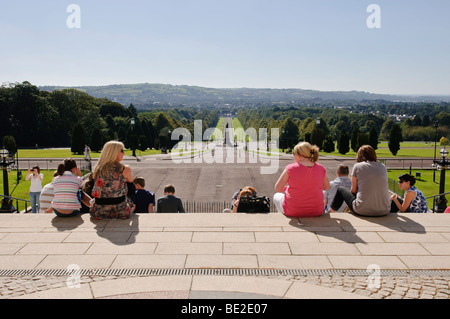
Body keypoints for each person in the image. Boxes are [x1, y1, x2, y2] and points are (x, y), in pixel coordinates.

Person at [330, 145, 391, 217]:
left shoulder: (357, 166)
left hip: (362, 210)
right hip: (384, 210)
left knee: (341, 189)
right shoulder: (383, 166)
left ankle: (331, 211)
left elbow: (353, 190)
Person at [273, 142, 330, 217]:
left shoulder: (291, 168)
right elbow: (326, 187)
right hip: (317, 211)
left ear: (300, 155)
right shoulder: (321, 168)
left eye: (294, 154)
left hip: (292, 211)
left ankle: (281, 215)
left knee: (276, 195)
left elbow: (278, 188)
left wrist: (287, 188)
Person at [90, 141, 134, 219]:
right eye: (122, 151)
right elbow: (130, 180)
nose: (124, 153)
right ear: (114, 152)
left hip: (98, 211)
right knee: (131, 185)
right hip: (120, 211)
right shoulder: (124, 169)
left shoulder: (98, 169)